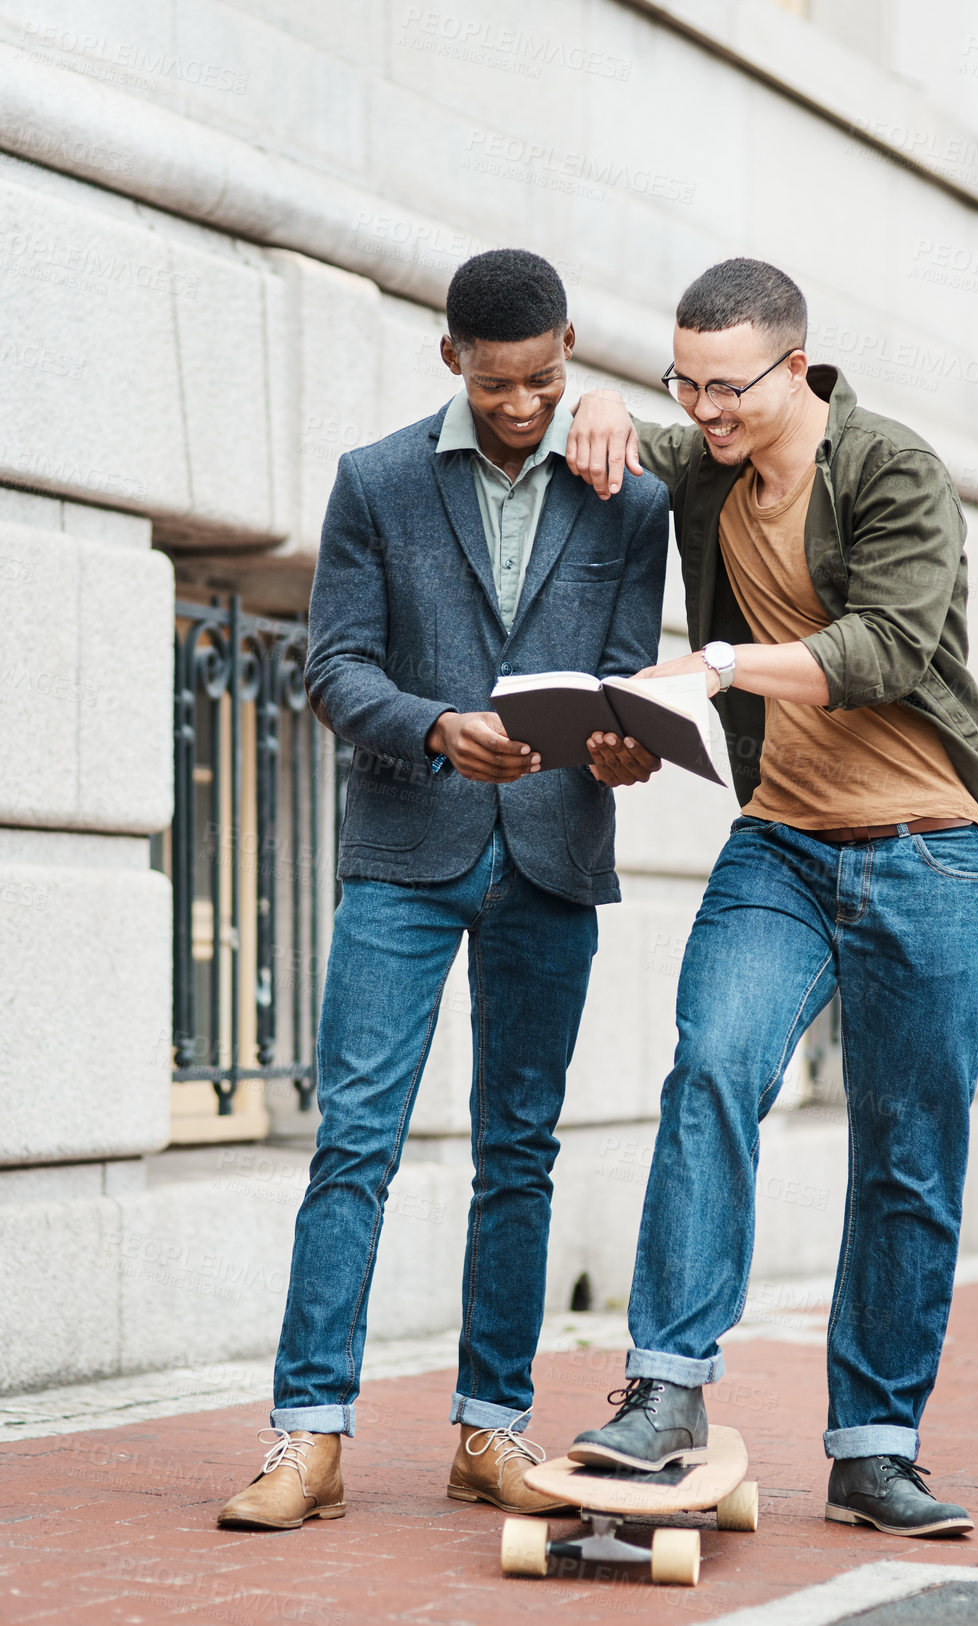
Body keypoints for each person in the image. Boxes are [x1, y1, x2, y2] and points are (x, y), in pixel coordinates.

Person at [562, 258, 978, 1537]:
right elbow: (628, 438)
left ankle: (874, 1448)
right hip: (781, 844)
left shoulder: (893, 470)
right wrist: (600, 409)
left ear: (796, 368)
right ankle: (665, 1389)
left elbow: (889, 646)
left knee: (905, 1157)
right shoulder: (706, 452)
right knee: (711, 1067)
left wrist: (717, 660)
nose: (705, 411)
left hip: (925, 852)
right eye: (687, 382)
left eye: (728, 387)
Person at [217, 248, 668, 1531]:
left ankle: (490, 1427)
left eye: (542, 380)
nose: (522, 405)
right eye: (496, 383)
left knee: (516, 1154)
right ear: (449, 359)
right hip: (405, 856)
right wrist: (431, 726)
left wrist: (625, 742)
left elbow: (627, 671)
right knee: (353, 1145)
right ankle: (307, 1437)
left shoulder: (629, 500)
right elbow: (333, 668)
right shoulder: (374, 482)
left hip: (552, 856)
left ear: (570, 348)